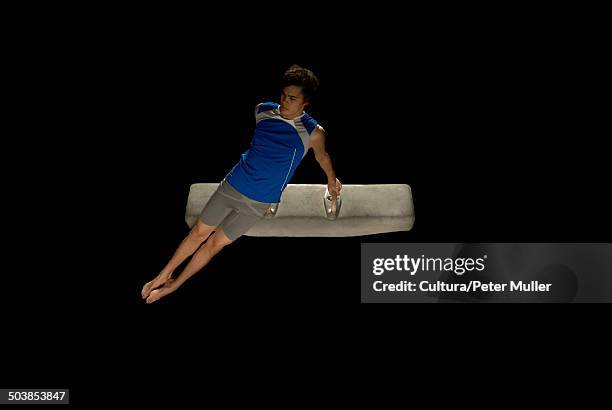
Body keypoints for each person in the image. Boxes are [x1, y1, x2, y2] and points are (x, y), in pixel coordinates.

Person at [141, 64, 342, 303]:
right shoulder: (263, 110)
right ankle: (162, 276)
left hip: (259, 202)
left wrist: (332, 181)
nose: (284, 101)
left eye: (292, 98)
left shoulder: (313, 132)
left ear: (306, 101)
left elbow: (322, 157)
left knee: (214, 245)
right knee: (197, 233)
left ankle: (174, 287)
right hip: (233, 186)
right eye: (283, 95)